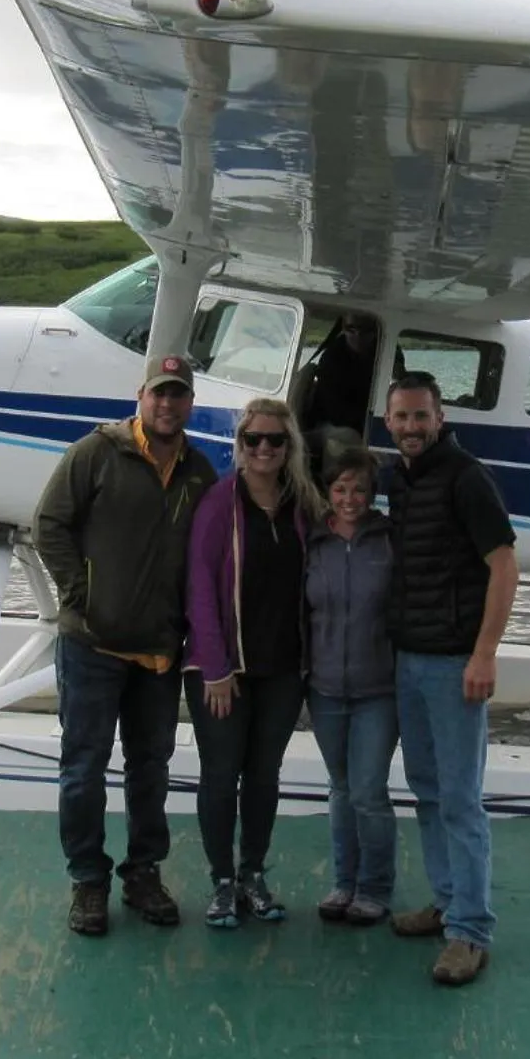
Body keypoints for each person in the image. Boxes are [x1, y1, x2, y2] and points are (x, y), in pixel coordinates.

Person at [34, 352, 218, 938]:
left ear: (190, 403)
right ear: (142, 398)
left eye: (178, 394)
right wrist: (81, 592)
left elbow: (209, 556)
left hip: (160, 651)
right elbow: (49, 525)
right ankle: (88, 880)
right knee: (83, 768)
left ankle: (144, 873)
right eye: (159, 393)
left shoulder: (199, 472)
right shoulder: (95, 453)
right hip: (93, 644)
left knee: (151, 769)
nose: (168, 404)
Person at [383, 372, 518, 987]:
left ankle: (470, 932)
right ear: (388, 422)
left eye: (420, 417)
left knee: (461, 799)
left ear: (439, 418)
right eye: (401, 417)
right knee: (428, 788)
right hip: (409, 658)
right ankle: (444, 902)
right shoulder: (403, 481)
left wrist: (484, 654)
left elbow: (504, 565)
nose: (411, 427)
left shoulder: (466, 477)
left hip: (451, 663)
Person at [183, 396, 327, 928]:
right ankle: (222, 881)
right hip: (224, 674)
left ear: (289, 447)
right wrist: (216, 669)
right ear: (239, 446)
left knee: (265, 776)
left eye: (275, 440)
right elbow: (198, 587)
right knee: (222, 775)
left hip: (283, 670)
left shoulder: (302, 508)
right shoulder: (220, 504)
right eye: (253, 440)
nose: (263, 448)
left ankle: (254, 874)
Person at [304, 444, 398, 926]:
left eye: (359, 489)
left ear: (372, 493)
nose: (349, 498)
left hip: (378, 689)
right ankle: (344, 882)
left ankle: (375, 887)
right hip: (323, 689)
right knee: (339, 789)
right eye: (341, 488)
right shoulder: (313, 542)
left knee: (367, 791)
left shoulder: (389, 541)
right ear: (328, 491)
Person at [299, 313, 379, 439]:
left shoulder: (385, 350)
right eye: (351, 329)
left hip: (367, 418)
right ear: (343, 328)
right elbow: (334, 411)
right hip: (329, 421)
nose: (358, 335)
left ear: (376, 331)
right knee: (350, 436)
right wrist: (366, 422)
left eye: (366, 330)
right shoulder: (332, 358)